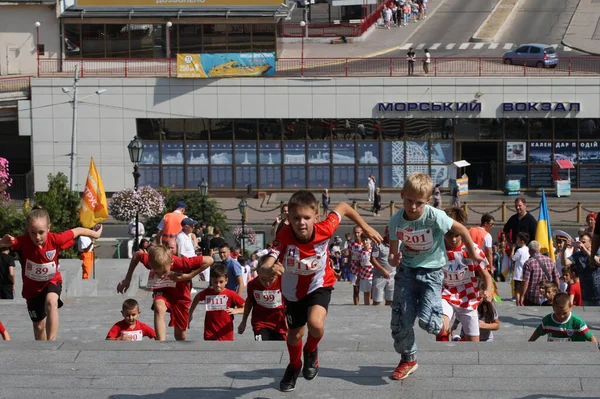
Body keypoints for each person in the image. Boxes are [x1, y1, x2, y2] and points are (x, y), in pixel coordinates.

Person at [257, 190, 381, 392]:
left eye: (307, 218)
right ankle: (294, 365)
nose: (301, 223)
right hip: (292, 291)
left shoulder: (327, 228)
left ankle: (311, 350)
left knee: (315, 323)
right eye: (296, 218)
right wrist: (268, 269)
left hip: (319, 283)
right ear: (288, 219)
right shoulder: (284, 235)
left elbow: (344, 206)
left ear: (317, 218)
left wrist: (366, 227)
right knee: (295, 334)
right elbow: (266, 262)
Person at [388, 173, 483, 380]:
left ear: (428, 201)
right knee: (400, 322)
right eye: (409, 201)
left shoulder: (434, 216)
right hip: (406, 272)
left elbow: (462, 230)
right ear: (402, 195)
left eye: (419, 203)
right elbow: (392, 254)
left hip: (431, 273)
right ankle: (408, 358)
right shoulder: (396, 220)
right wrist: (394, 260)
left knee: (429, 323)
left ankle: (444, 317)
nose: (413, 207)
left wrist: (473, 252)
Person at [0, 206, 103, 341]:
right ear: (27, 230)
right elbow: (6, 243)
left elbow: (77, 231)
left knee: (51, 302)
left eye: (41, 232)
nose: (37, 237)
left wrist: (95, 234)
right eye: (32, 233)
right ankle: (42, 349)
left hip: (52, 281)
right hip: (32, 289)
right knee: (38, 325)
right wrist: (2, 242)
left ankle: (51, 341)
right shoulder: (22, 241)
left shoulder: (55, 239)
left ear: (48, 228)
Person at [116, 244, 214, 341]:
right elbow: (137, 254)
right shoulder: (152, 260)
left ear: (171, 263)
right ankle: (160, 343)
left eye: (164, 272)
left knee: (180, 336)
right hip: (162, 291)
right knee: (159, 306)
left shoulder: (181, 262)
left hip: (180, 297)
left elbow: (209, 260)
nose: (161, 275)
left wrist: (188, 276)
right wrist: (127, 278)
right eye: (156, 272)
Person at [438, 207, 493, 342]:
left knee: (473, 341)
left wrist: (488, 290)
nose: (454, 239)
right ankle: (442, 355)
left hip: (467, 297)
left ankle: (459, 342)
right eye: (449, 235)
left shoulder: (471, 249)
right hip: (445, 293)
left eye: (457, 235)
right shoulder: (438, 248)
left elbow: (486, 275)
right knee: (441, 327)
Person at [189, 263, 245, 341]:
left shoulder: (231, 294)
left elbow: (246, 307)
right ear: (211, 280)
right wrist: (190, 313)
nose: (218, 285)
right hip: (209, 334)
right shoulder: (207, 292)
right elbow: (197, 298)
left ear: (226, 281)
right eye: (215, 282)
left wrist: (236, 310)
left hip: (225, 335)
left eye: (221, 282)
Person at [238, 256, 288, 341]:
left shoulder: (283, 282)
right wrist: (244, 321)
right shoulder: (252, 285)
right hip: (260, 324)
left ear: (276, 274)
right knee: (261, 348)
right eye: (263, 279)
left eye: (271, 279)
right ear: (258, 272)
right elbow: (249, 302)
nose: (267, 283)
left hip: (279, 325)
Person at [528, 293, 597, 342]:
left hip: (575, 352)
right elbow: (538, 332)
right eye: (558, 313)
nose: (561, 316)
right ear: (553, 308)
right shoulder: (547, 320)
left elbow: (590, 337)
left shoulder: (577, 322)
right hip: (554, 351)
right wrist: (529, 344)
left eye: (564, 313)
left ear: (571, 308)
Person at [562, 233, 600, 306]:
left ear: (590, 243)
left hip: (598, 293)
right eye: (580, 242)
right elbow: (565, 262)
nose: (581, 244)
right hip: (586, 294)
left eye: (584, 242)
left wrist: (586, 250)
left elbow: (598, 261)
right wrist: (564, 249)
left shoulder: (597, 251)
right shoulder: (578, 255)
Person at [519, 240, 560, 306]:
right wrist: (557, 293)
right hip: (548, 296)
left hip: (532, 298)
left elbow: (526, 282)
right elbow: (556, 279)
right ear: (539, 249)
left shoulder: (528, 263)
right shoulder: (550, 260)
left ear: (529, 251)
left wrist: (522, 296)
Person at [371, 226, 395, 306]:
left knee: (390, 300)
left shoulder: (397, 243)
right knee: (377, 301)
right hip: (380, 276)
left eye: (391, 232)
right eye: (387, 232)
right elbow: (373, 259)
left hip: (392, 276)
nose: (389, 234)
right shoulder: (378, 244)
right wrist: (383, 270)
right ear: (385, 232)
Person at [510, 232, 530, 303]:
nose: (516, 241)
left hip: (518, 273)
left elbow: (512, 258)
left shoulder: (519, 250)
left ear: (522, 241)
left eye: (518, 240)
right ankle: (522, 302)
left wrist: (513, 249)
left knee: (517, 290)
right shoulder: (528, 249)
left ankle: (518, 303)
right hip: (525, 273)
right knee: (523, 289)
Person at [349, 226, 364, 306]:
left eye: (358, 232)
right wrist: (349, 264)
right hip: (354, 267)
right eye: (355, 232)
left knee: (366, 288)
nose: (357, 234)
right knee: (355, 288)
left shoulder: (364, 243)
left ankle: (367, 303)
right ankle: (356, 304)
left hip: (364, 267)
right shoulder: (351, 243)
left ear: (361, 232)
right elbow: (350, 254)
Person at [358, 235, 374, 306]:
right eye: (363, 240)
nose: (365, 242)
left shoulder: (372, 250)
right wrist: (358, 275)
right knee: (366, 292)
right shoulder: (360, 251)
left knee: (373, 292)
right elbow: (359, 263)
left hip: (371, 273)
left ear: (370, 240)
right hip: (363, 274)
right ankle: (366, 305)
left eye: (366, 240)